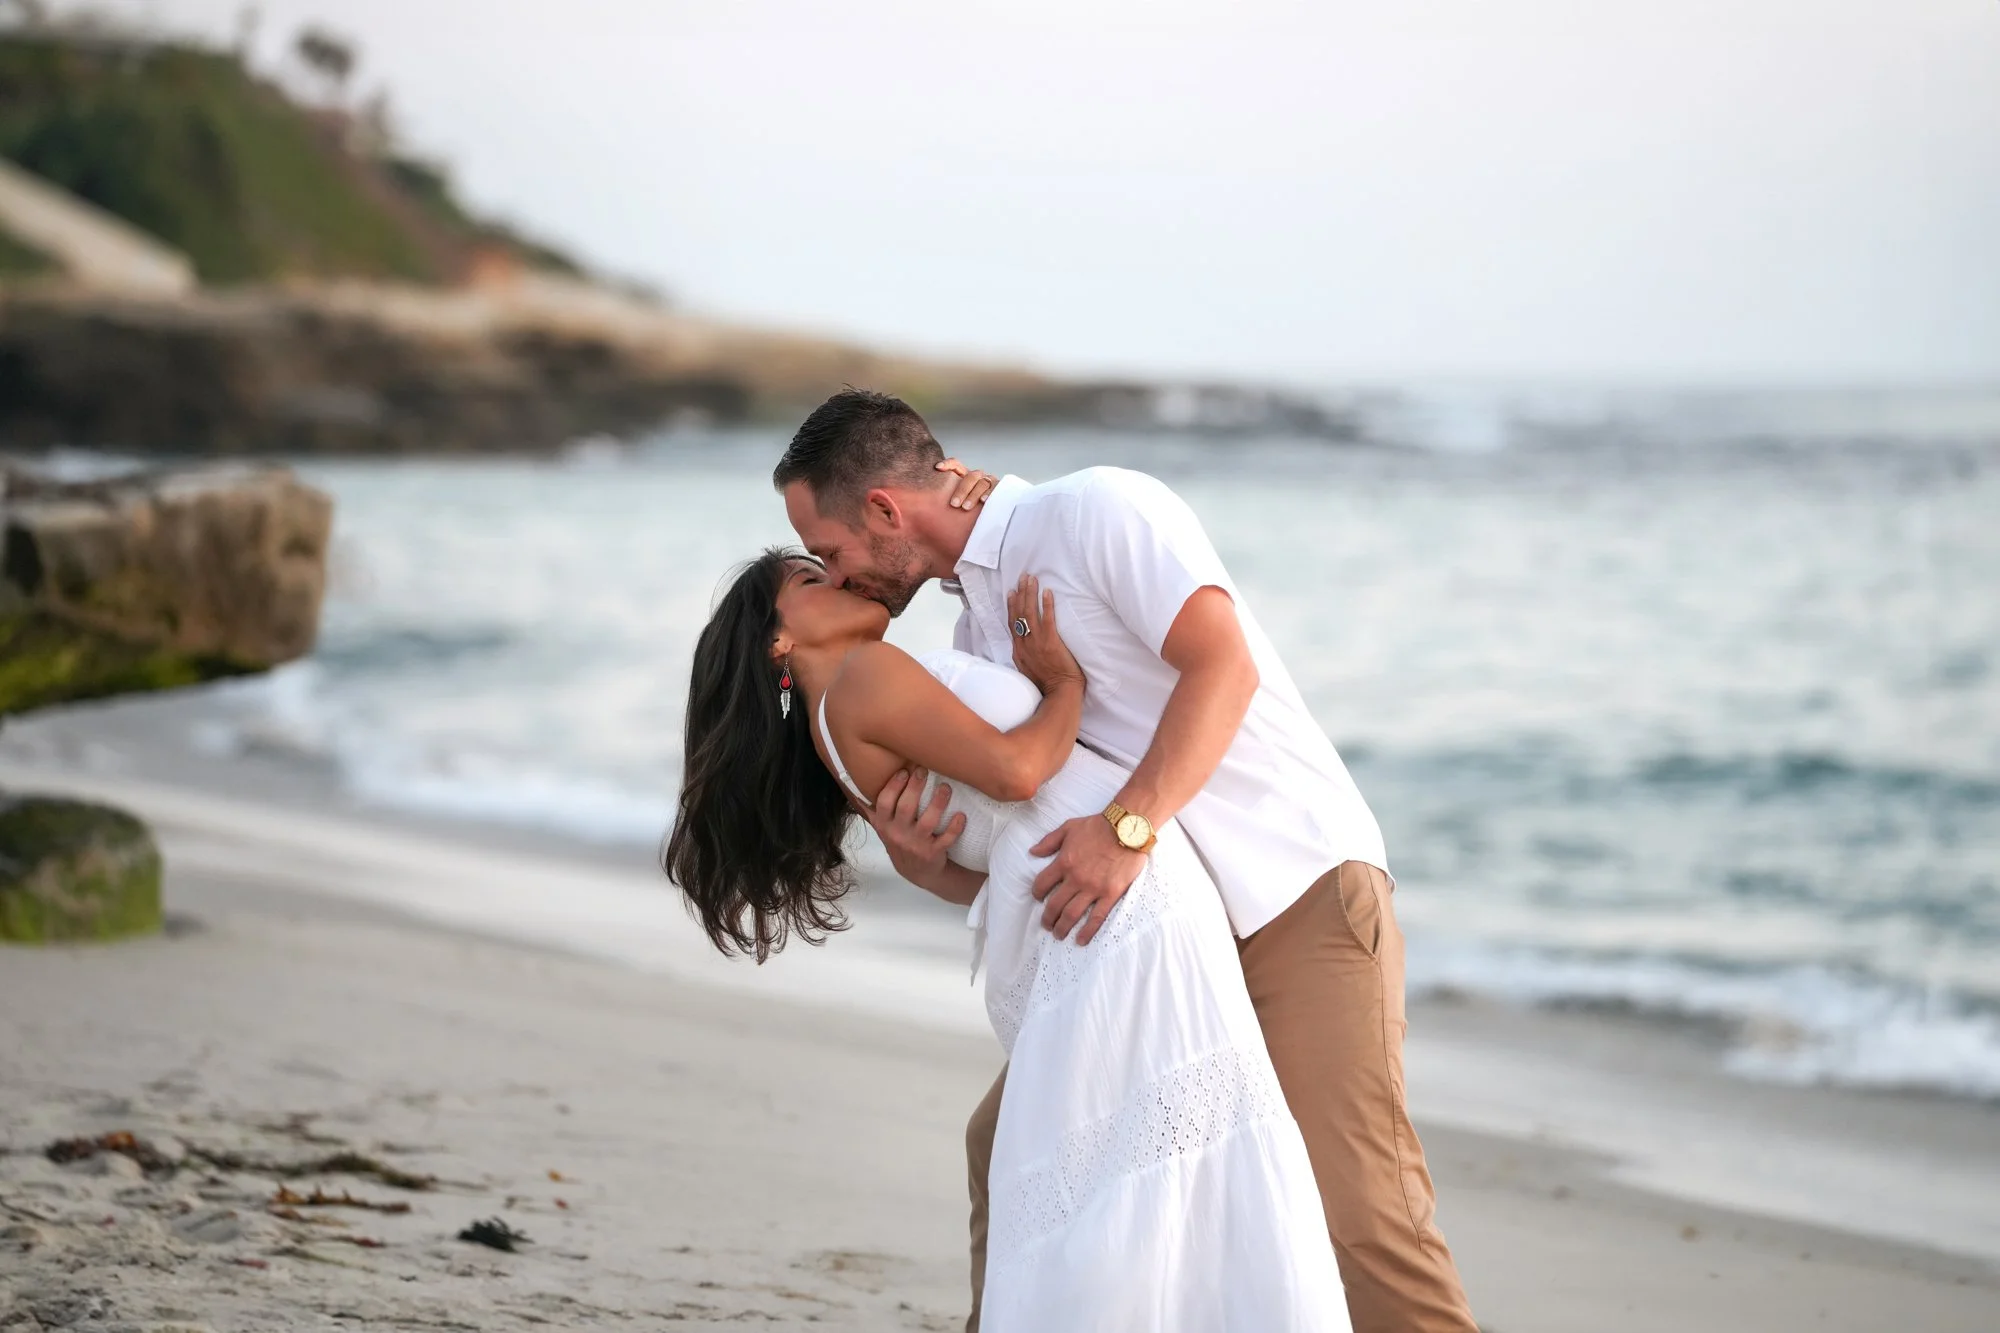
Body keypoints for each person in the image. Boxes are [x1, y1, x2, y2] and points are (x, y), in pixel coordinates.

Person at [774, 389, 1479, 1333]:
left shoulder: (1097, 510)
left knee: (1359, 1216)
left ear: (886, 511)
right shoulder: (976, 634)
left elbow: (1224, 665)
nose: (840, 575)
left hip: (1290, 891)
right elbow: (1035, 842)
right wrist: (923, 861)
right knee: (1008, 1145)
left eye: (831, 551)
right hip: (1158, 934)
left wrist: (1130, 826)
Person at [665, 550, 1349, 1331]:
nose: (843, 580)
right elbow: (1019, 773)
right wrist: (1064, 682)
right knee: (1178, 1160)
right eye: (811, 582)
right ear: (777, 644)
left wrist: (927, 871)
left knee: (1127, 1169)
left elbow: (984, 857)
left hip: (1074, 913)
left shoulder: (830, 738)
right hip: (1122, 910)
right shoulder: (862, 678)